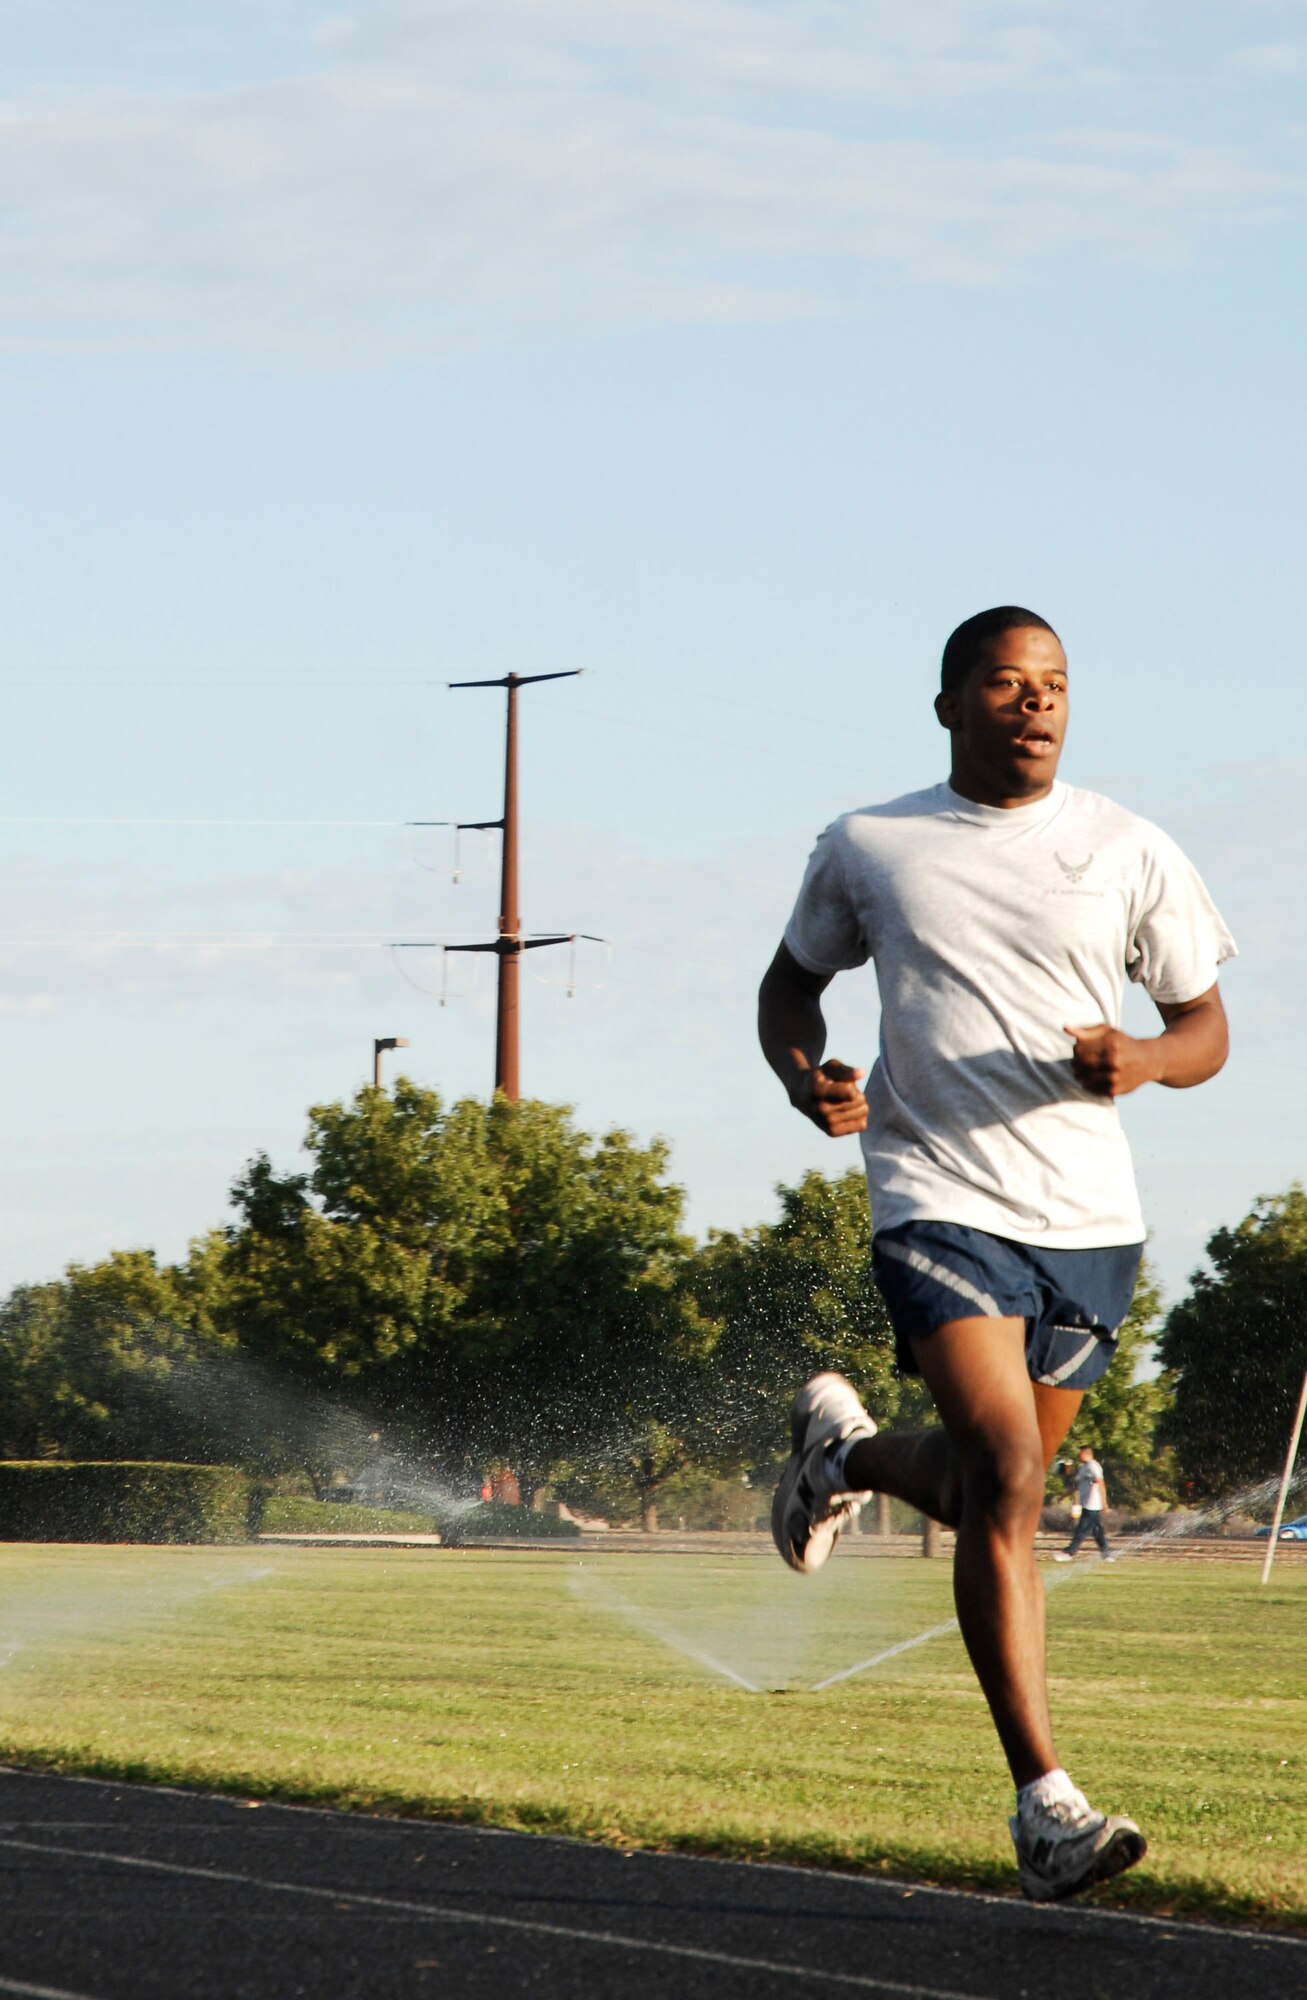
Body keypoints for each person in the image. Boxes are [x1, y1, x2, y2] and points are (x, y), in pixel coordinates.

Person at [758, 605, 1233, 1901]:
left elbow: (1202, 1027)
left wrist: (1140, 1057)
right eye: (1004, 683)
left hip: (1087, 1227)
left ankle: (839, 1455)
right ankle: (1042, 1804)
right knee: (1013, 1475)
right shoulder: (869, 845)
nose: (1033, 703)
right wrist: (808, 1078)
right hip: (932, 1195)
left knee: (984, 1497)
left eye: (1053, 685)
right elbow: (785, 988)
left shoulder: (1125, 846)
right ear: (949, 703)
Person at [1055, 1444, 1111, 1561]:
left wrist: (1104, 1503)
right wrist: (1063, 1496)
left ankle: (1069, 1553)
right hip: (1086, 1504)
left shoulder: (1093, 1466)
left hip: (1093, 1504)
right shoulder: (1084, 1468)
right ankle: (1106, 1554)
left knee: (1082, 1529)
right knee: (1097, 1531)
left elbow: (1101, 1484)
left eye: (1080, 1453)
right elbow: (1077, 1486)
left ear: (1086, 1454)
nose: (1078, 1455)